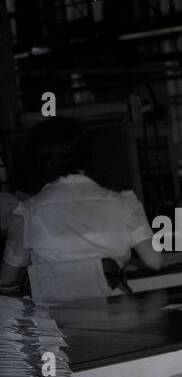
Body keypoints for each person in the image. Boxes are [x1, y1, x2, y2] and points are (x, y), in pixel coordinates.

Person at [1, 118, 162, 299]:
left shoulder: (26, 213)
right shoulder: (124, 203)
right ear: (87, 156)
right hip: (116, 317)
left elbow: (6, 281)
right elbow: (154, 261)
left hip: (53, 322)